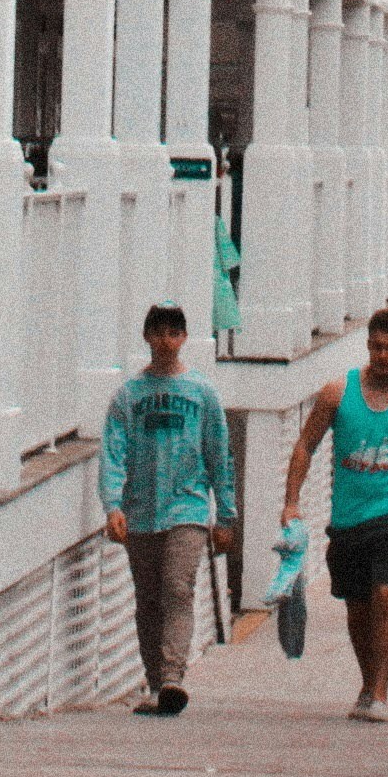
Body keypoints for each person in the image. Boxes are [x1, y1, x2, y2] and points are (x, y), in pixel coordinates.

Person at [283, 301, 388, 723]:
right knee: (356, 607)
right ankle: (368, 682)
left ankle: (381, 693)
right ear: (367, 346)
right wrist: (291, 502)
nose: (383, 356)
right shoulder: (338, 393)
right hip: (348, 519)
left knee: (385, 595)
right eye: (376, 347)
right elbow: (305, 446)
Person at [98, 302, 235, 715]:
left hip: (187, 509)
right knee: (149, 597)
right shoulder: (128, 395)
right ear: (146, 336)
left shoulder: (201, 393)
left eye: (173, 333)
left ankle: (173, 676)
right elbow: (112, 453)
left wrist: (226, 514)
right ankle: (156, 683)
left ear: (184, 338)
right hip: (141, 510)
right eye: (158, 332)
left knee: (178, 587)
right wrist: (113, 505)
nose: (165, 341)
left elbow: (219, 454)